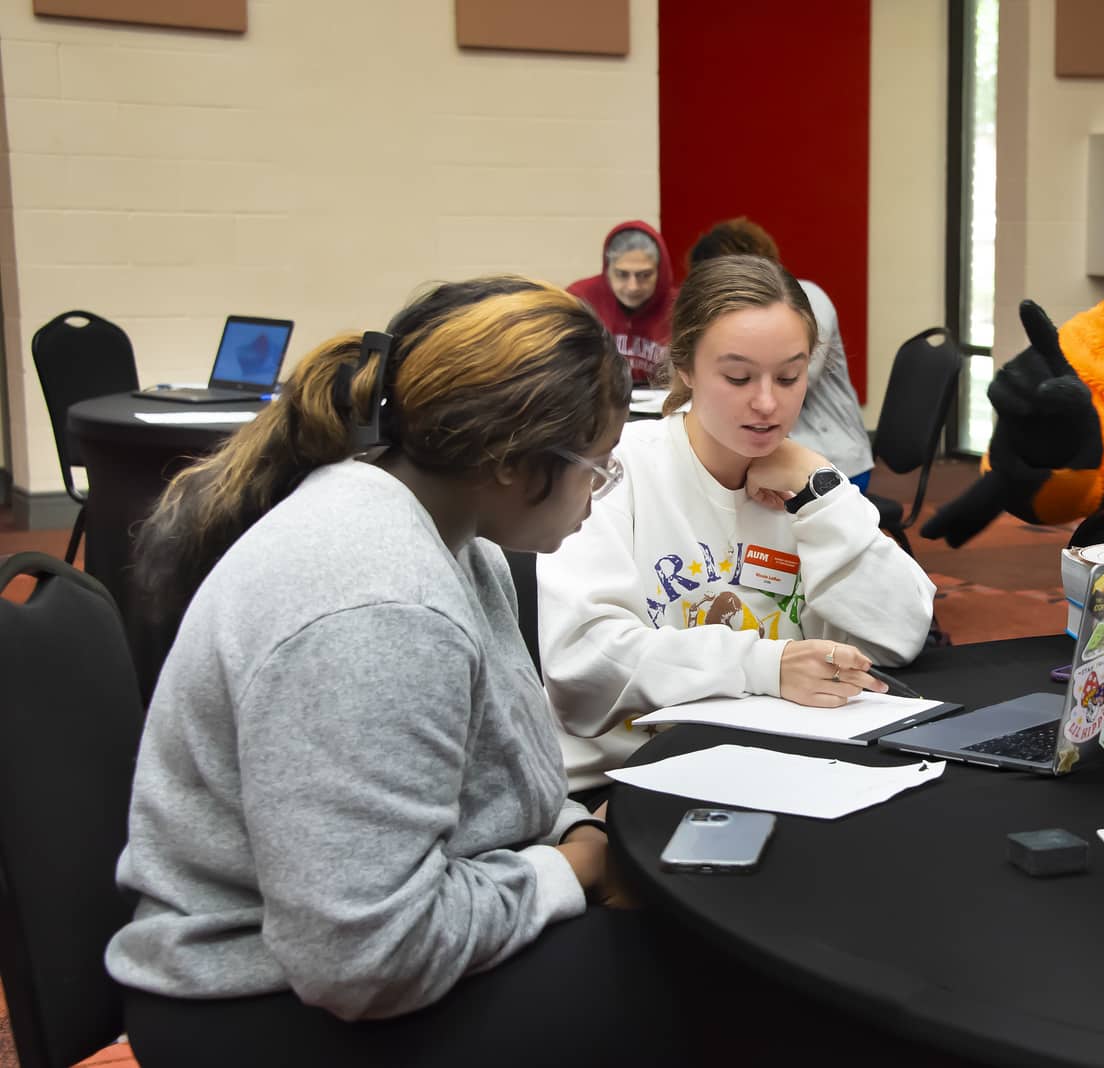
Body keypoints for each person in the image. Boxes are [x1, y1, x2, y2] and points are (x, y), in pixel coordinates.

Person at [106, 278, 694, 1064]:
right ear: (515, 465)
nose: (600, 491)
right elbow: (364, 961)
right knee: (696, 994)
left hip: (349, 952)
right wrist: (571, 869)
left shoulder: (455, 538)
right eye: (598, 465)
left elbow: (503, 782)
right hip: (255, 1004)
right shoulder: (378, 606)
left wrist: (574, 837)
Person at [539, 254, 936, 794]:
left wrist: (818, 492)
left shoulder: (808, 482)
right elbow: (585, 666)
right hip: (625, 781)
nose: (767, 403)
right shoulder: (619, 472)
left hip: (777, 765)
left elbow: (901, 634)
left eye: (790, 376)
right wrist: (765, 666)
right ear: (685, 367)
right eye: (737, 376)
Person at [686, 217, 875, 490]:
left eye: (786, 377)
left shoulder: (805, 299)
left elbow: (801, 377)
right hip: (766, 452)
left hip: (832, 458)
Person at [567, 220, 676, 385]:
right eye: (622, 275)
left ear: (659, 272)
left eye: (644, 275)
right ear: (607, 270)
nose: (633, 287)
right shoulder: (580, 299)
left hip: (662, 402)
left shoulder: (679, 307)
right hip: (594, 401)